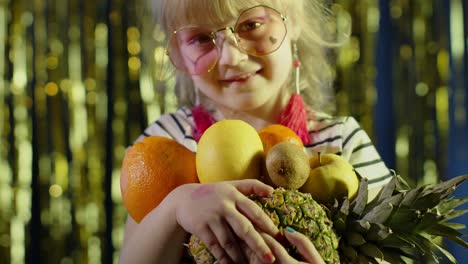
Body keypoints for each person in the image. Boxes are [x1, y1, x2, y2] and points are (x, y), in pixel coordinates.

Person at [119, 0, 394, 263]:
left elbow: (389, 253)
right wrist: (176, 207)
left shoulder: (340, 142)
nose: (232, 57)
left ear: (295, 19)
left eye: (250, 25)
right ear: (177, 50)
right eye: (202, 38)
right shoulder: (167, 141)